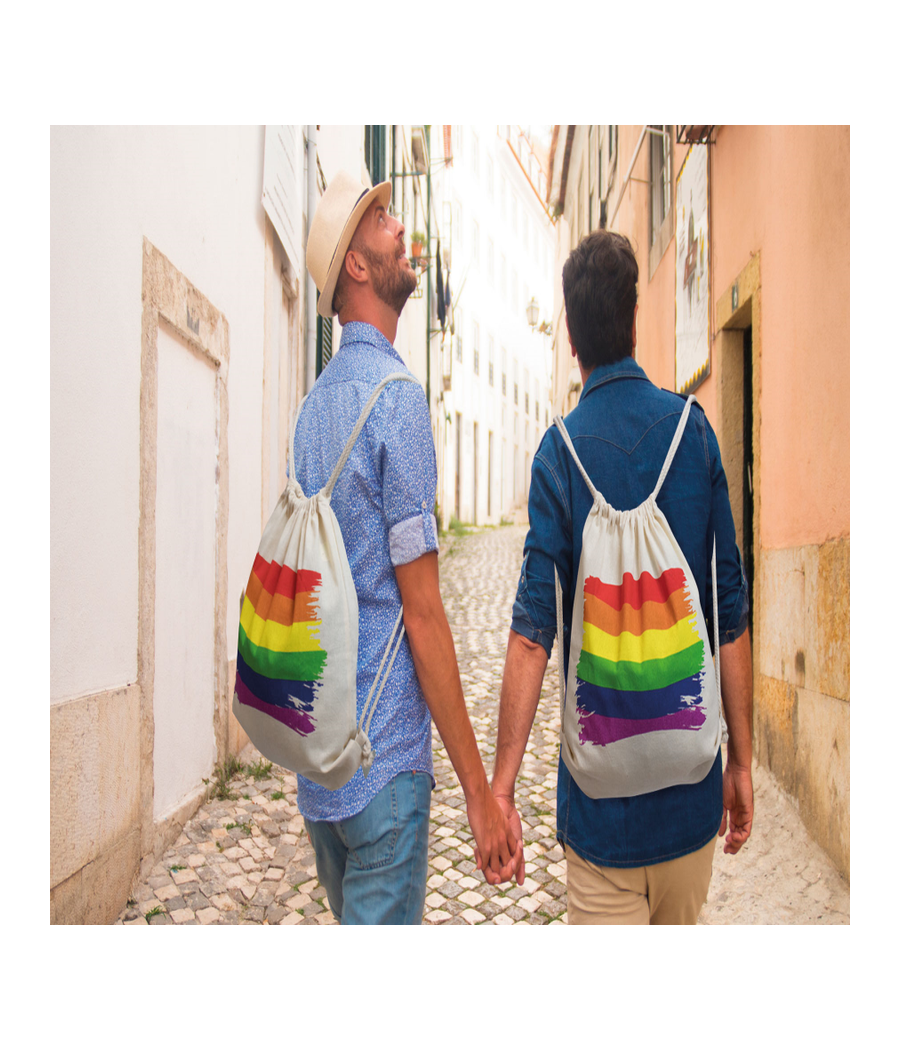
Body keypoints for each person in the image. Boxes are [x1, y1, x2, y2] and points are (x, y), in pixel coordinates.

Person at [488, 229, 753, 924]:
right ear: (635, 319)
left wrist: (501, 787)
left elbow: (531, 634)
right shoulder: (694, 434)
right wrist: (744, 764)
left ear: (570, 336)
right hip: (690, 802)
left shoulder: (558, 455)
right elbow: (729, 610)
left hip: (599, 820)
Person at [298, 170, 520, 924]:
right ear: (356, 266)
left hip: (320, 769)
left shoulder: (311, 409)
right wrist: (478, 794)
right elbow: (422, 616)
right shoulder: (397, 400)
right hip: (384, 762)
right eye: (385, 220)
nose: (402, 228)